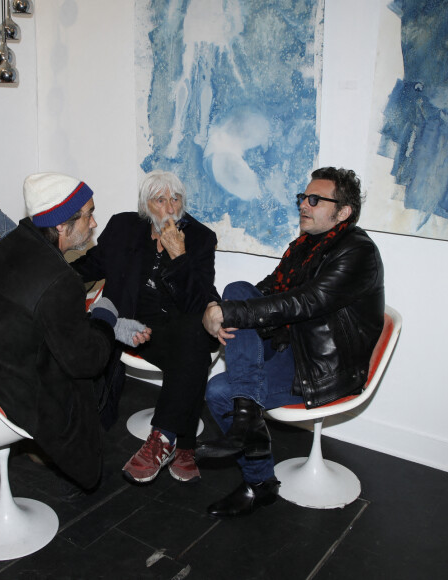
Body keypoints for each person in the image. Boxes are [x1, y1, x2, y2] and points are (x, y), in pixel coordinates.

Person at [197, 167, 385, 518]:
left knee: (221, 391)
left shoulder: (357, 252)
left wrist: (227, 313)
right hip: (291, 342)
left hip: (324, 364)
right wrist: (221, 307)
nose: (304, 205)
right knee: (237, 289)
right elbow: (266, 291)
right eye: (303, 197)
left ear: (343, 212)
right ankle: (254, 443)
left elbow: (305, 302)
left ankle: (257, 479)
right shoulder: (302, 246)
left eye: (315, 200)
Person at [0, 173, 150, 491]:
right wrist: (104, 318)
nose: (94, 223)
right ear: (61, 224)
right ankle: (68, 453)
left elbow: (39, 317)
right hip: (2, 397)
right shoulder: (61, 279)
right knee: (87, 377)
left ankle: (43, 447)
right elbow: (86, 361)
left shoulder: (13, 244)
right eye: (88, 214)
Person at [72, 169, 219, 485]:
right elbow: (92, 265)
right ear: (144, 206)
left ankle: (162, 438)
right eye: (159, 199)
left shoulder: (200, 237)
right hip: (133, 326)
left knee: (192, 335)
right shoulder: (125, 226)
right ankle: (186, 447)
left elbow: (198, 300)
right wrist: (51, 271)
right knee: (194, 350)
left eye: (175, 198)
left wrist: (179, 255)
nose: (170, 207)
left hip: (179, 325)